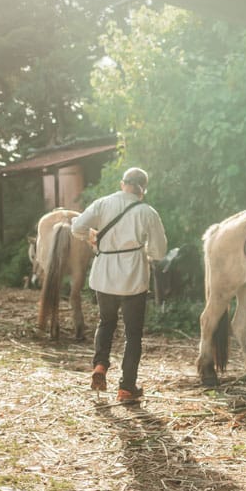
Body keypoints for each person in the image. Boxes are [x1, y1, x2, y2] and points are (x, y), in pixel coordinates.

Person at [71, 167, 168, 402]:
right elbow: (159, 251)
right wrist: (142, 250)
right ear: (142, 190)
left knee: (106, 322)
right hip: (133, 279)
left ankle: (100, 366)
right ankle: (126, 388)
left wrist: (91, 236)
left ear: (122, 183)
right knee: (133, 334)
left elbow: (76, 227)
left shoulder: (103, 203)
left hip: (104, 276)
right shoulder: (147, 212)